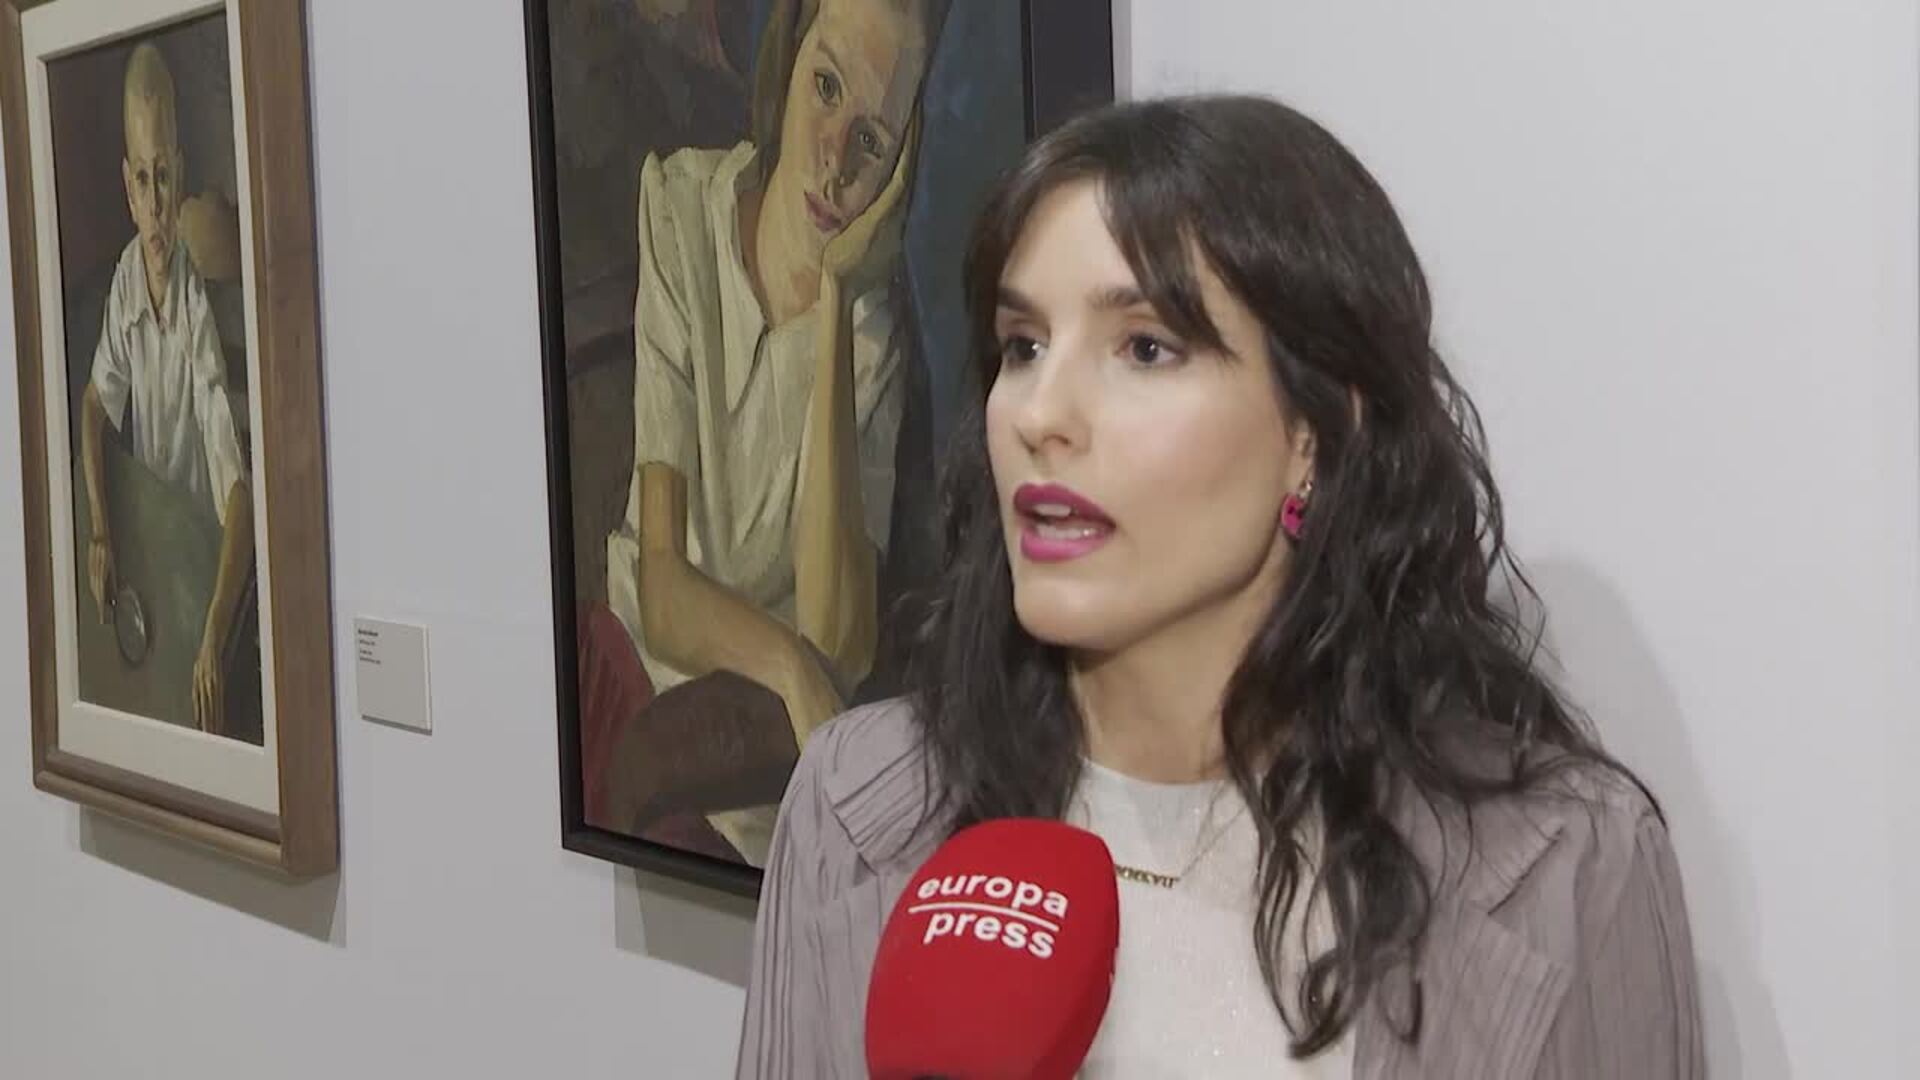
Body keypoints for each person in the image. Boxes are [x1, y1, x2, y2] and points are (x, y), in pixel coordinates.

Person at [737, 96, 1704, 1077]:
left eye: (1144, 348)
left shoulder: (1567, 867)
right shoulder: (856, 802)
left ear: (1314, 433)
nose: (1039, 413)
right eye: (1023, 345)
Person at [597, 0, 948, 864]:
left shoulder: (873, 334)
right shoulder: (682, 207)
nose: (835, 162)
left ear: (901, 161)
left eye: (873, 140)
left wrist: (837, 295)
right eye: (825, 87)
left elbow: (841, 641)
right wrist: (791, 668)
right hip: (638, 682)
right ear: (787, 62)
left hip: (760, 767)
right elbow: (664, 592)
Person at [81, 41, 252, 737]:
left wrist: (213, 635)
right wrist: (100, 529)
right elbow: (94, 406)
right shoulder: (127, 276)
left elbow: (241, 497)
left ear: (179, 174)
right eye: (142, 183)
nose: (155, 206)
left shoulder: (199, 300)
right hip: (157, 551)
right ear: (127, 189)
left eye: (164, 178)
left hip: (208, 572)